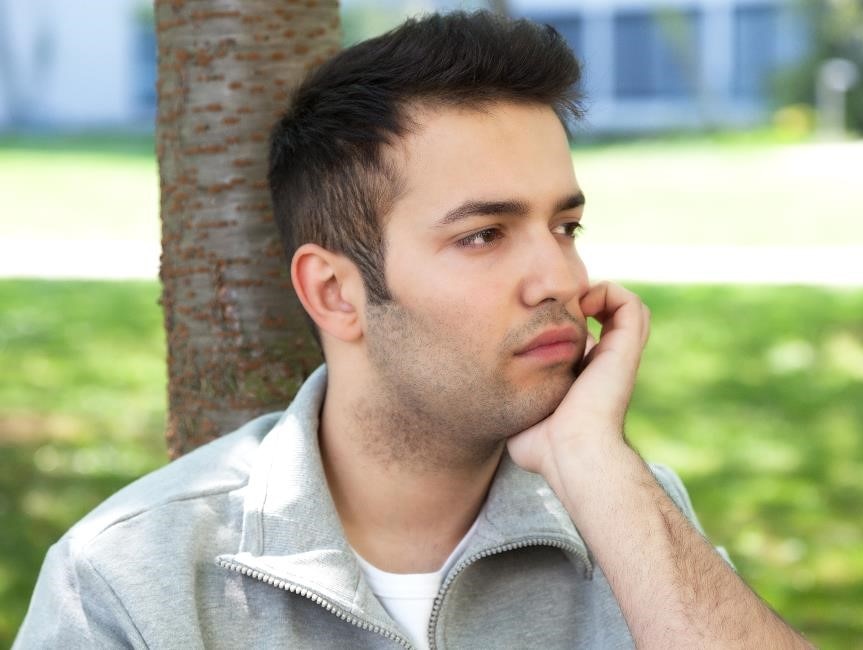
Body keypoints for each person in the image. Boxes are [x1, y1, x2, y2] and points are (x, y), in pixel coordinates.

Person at [15, 11, 811, 649]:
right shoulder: (132, 579)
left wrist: (594, 465)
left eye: (563, 226)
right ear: (335, 293)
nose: (563, 281)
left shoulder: (627, 512)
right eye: (483, 235)